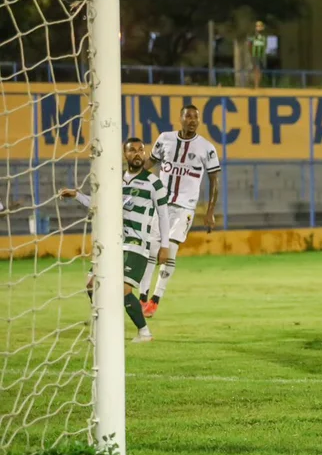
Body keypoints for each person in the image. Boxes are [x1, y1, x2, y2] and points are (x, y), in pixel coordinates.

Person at [61, 137, 170, 343]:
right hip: (112, 243)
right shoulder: (115, 180)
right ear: (125, 154)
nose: (137, 154)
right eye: (132, 150)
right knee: (92, 284)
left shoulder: (153, 182)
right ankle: (103, 331)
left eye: (140, 150)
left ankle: (144, 331)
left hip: (136, 245)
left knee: (124, 290)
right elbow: (98, 205)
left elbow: (163, 215)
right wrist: (77, 196)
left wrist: (164, 246)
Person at [139, 105, 221, 317]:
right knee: (152, 250)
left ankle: (155, 299)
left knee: (171, 250)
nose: (192, 120)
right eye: (189, 116)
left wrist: (210, 212)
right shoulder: (165, 139)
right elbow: (150, 162)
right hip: (161, 204)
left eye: (196, 117)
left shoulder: (206, 148)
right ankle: (142, 297)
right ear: (181, 118)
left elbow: (215, 181)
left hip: (185, 207)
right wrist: (129, 175)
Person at [248, 21, 268, 88]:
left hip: (261, 55)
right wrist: (251, 54)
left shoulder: (264, 36)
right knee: (256, 69)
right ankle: (256, 85)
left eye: (260, 26)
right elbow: (249, 44)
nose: (259, 28)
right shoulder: (253, 36)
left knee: (260, 70)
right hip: (255, 55)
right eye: (257, 26)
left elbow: (265, 45)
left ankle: (257, 84)